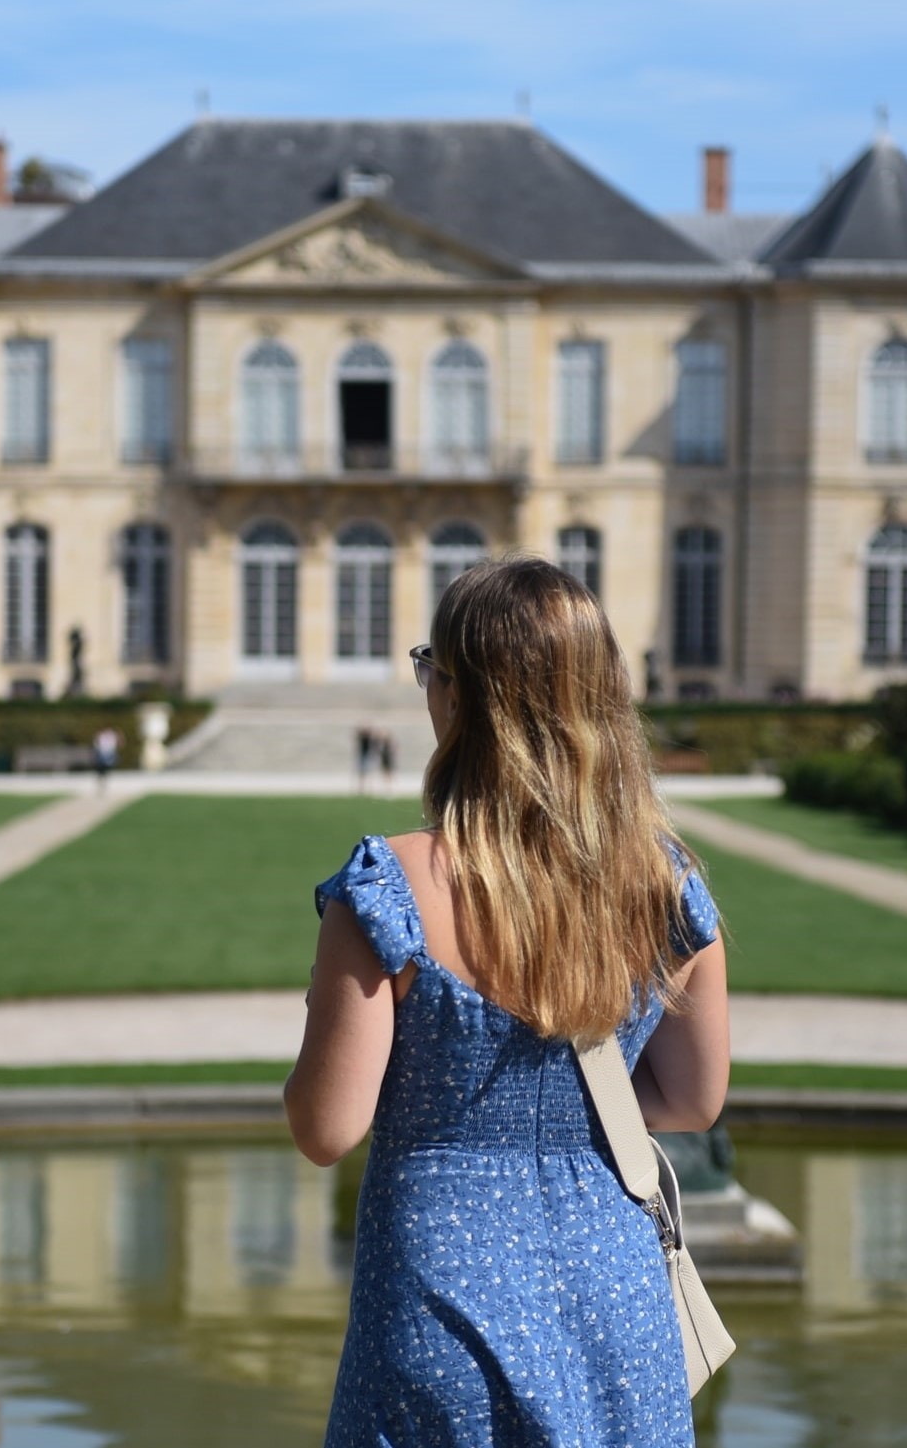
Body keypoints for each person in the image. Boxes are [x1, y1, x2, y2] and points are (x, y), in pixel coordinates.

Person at [286, 555, 729, 1448]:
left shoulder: (393, 886)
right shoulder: (667, 885)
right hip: (613, 1291)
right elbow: (690, 1100)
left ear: (461, 699)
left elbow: (325, 1126)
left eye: (431, 668)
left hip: (439, 1293)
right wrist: (562, 1116)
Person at [92, 725, 120, 791]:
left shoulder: (112, 736)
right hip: (103, 754)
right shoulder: (102, 736)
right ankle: (102, 777)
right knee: (102, 767)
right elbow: (97, 744)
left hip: (109, 754)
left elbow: (118, 743)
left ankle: (104, 776)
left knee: (106, 766)